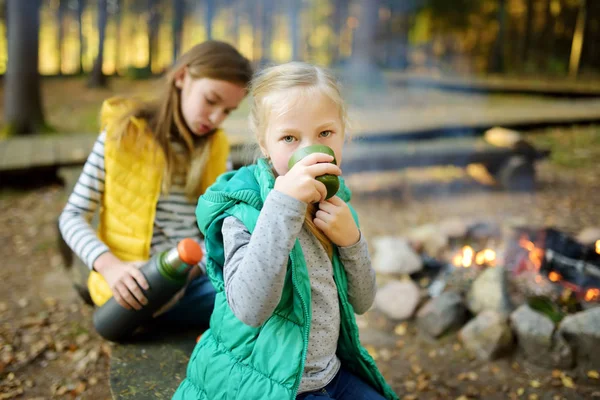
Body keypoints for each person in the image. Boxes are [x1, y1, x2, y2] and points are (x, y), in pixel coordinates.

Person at [173, 62, 397, 399]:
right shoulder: (244, 212)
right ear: (264, 144)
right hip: (265, 382)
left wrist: (352, 241)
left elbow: (362, 301)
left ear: (343, 133)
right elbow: (251, 309)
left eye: (325, 134)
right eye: (289, 138)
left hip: (330, 374)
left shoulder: (334, 204)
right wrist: (284, 206)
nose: (309, 150)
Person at [58, 40, 253, 329]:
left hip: (193, 287)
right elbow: (72, 216)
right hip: (127, 292)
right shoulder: (123, 134)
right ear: (182, 77)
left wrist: (193, 269)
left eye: (227, 111)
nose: (215, 119)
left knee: (260, 291)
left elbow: (217, 229)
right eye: (211, 101)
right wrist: (110, 267)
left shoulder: (216, 147)